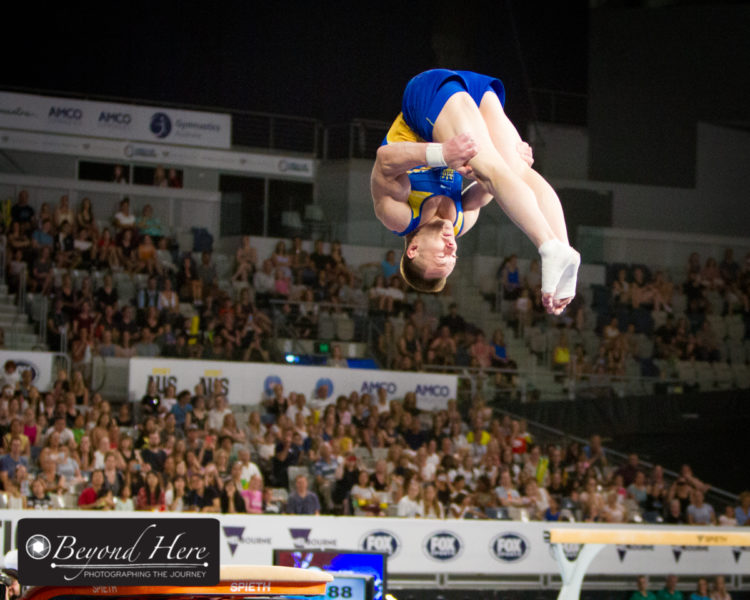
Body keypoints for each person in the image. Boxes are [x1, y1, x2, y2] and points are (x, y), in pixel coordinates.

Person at [371, 69, 579, 309]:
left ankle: (548, 245)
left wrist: (442, 154)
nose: (451, 248)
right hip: (473, 97)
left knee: (491, 171)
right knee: (518, 174)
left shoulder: (399, 217)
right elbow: (494, 187)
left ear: (413, 250)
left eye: (441, 255)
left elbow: (384, 160)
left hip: (425, 98)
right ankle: (564, 247)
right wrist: (510, 161)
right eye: (453, 257)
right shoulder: (461, 222)